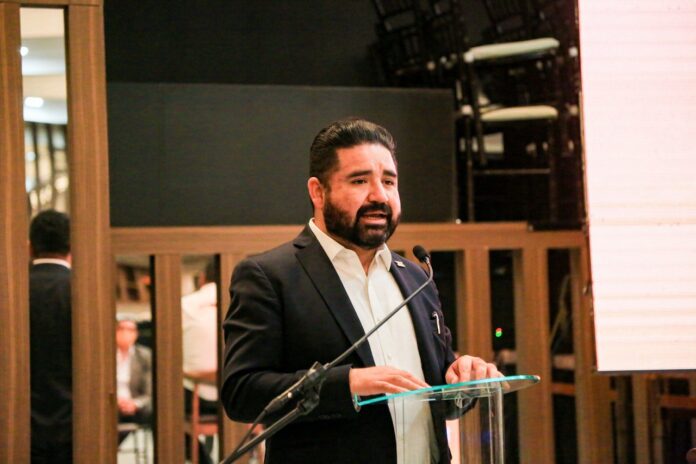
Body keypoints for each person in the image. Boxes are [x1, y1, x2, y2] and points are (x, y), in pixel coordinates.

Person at [221, 118, 502, 464]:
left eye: (389, 181)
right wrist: (348, 383)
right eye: (359, 181)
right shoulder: (270, 276)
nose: (379, 196)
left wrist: (463, 379)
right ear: (318, 192)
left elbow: (438, 395)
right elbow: (242, 393)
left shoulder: (417, 278)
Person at [29, 210, 73, 464]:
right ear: (72, 246)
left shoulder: (12, 289)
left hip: (20, 422)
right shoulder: (83, 290)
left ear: (30, 247)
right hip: (74, 422)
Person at [182, 262, 218, 464]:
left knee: (162, 407)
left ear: (202, 278)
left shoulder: (185, 304)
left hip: (196, 398)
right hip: (234, 394)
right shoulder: (242, 302)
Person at [115, 318, 152, 441]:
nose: (125, 333)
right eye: (121, 329)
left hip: (136, 406)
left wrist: (135, 404)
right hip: (111, 405)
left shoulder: (144, 356)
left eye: (130, 330)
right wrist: (116, 402)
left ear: (136, 334)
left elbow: (148, 392)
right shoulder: (106, 354)